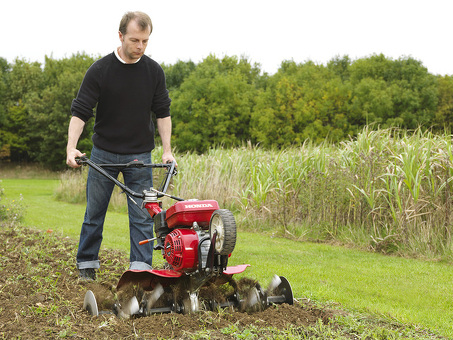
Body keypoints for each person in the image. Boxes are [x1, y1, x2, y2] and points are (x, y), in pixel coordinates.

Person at [66, 11, 176, 281]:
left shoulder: (153, 71)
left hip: (140, 156)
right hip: (104, 154)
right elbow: (81, 112)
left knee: (142, 215)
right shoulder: (101, 70)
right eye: (135, 40)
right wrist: (71, 147)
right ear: (120, 36)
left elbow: (162, 112)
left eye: (145, 41)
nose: (140, 47)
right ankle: (87, 264)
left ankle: (139, 271)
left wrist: (167, 150)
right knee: (95, 212)